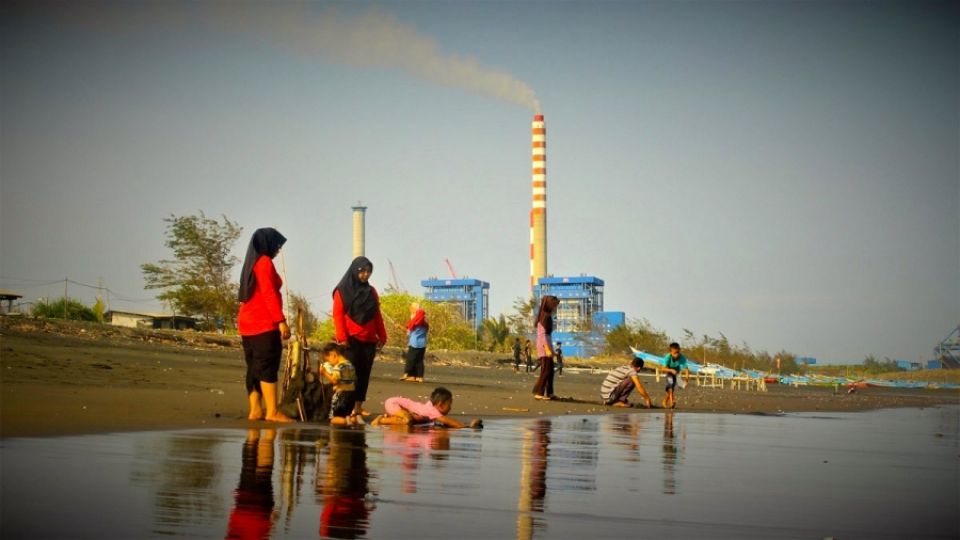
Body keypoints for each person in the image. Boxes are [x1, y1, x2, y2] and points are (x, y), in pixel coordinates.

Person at [237, 227, 293, 423]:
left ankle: (255, 410)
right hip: (263, 323)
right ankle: (271, 411)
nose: (278, 250)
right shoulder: (264, 263)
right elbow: (269, 294)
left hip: (247, 323)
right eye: (277, 245)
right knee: (267, 366)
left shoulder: (250, 264)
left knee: (254, 367)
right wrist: (281, 321)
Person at [332, 256, 387, 423]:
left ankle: (358, 407)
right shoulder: (341, 291)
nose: (365, 275)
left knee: (364, 374)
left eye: (368, 271)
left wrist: (382, 335)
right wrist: (342, 338)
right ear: (355, 271)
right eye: (362, 271)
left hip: (369, 339)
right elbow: (338, 315)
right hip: (351, 339)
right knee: (350, 375)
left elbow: (376, 314)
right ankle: (345, 408)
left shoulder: (372, 292)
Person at [370, 386, 483, 429]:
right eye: (449, 405)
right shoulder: (432, 410)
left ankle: (385, 419)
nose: (450, 408)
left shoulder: (430, 409)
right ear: (440, 405)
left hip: (399, 407)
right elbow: (448, 421)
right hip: (394, 403)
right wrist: (466, 427)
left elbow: (444, 423)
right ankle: (381, 420)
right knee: (408, 420)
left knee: (414, 421)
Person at [318, 342, 358, 426]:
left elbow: (335, 381)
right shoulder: (350, 365)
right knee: (345, 414)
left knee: (333, 418)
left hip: (341, 395)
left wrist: (324, 372)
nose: (330, 363)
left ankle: (348, 421)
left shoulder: (339, 366)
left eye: (329, 360)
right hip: (352, 395)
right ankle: (353, 419)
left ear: (334, 355)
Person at [532, 295, 560, 401]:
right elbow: (542, 335)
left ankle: (550, 392)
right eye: (555, 305)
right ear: (550, 305)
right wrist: (547, 349)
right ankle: (539, 392)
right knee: (546, 370)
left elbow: (547, 336)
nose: (556, 308)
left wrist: (551, 349)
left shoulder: (546, 316)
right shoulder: (545, 317)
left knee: (550, 370)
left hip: (546, 345)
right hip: (544, 346)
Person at [401, 302, 428, 382]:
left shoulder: (414, 323)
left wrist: (400, 327)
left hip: (414, 344)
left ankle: (406, 374)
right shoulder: (425, 324)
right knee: (419, 361)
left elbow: (409, 333)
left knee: (410, 359)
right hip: (422, 344)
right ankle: (419, 377)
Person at [661, 342, 690, 409]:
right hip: (668, 371)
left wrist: (686, 379)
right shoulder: (667, 357)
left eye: (677, 352)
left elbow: (686, 369)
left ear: (679, 350)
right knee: (671, 385)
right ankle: (672, 402)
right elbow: (663, 369)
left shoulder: (682, 357)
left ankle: (664, 401)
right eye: (674, 353)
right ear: (671, 352)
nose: (676, 355)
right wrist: (671, 370)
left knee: (672, 388)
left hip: (676, 372)